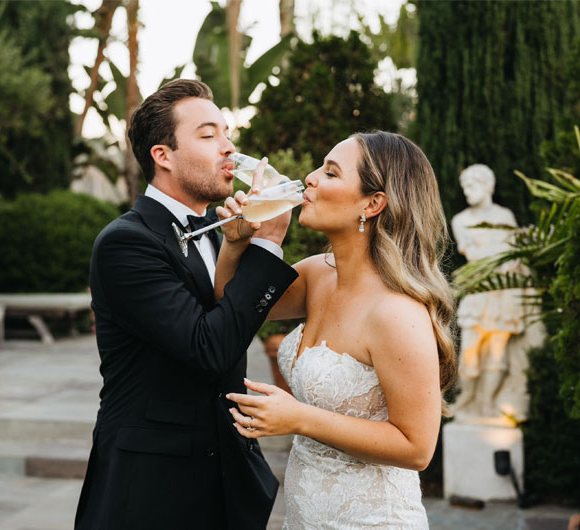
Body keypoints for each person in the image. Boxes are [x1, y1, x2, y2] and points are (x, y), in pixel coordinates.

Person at [74, 79, 298, 530]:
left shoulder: (219, 232)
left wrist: (237, 250)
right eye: (208, 134)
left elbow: (226, 319)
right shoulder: (126, 242)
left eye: (227, 133)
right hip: (152, 489)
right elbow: (207, 347)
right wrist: (270, 243)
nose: (229, 149)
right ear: (163, 156)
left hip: (222, 479)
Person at [215, 131, 457, 528]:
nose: (309, 178)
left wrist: (298, 419)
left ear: (373, 203)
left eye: (330, 173)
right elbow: (232, 305)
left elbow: (417, 448)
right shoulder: (317, 275)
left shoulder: (397, 313)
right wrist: (236, 244)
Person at [450, 164, 527, 419]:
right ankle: (467, 400)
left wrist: (507, 258)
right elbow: (475, 256)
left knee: (497, 352)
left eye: (472, 186)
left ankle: (486, 404)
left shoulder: (505, 216)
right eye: (464, 187)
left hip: (503, 292)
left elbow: (515, 255)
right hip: (481, 289)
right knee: (470, 350)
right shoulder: (461, 221)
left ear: (487, 186)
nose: (467, 192)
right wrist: (502, 257)